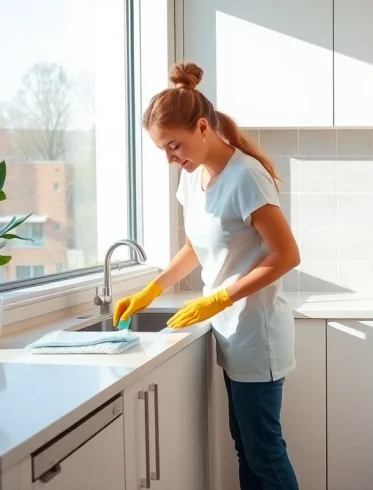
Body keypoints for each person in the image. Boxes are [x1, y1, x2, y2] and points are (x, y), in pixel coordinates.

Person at [113, 61, 300, 490]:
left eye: (173, 146)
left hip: (257, 336)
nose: (170, 158)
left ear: (201, 127)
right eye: (162, 149)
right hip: (230, 332)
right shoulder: (194, 179)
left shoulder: (246, 177)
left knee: (265, 454)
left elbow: (286, 254)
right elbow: (197, 245)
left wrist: (219, 298)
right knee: (246, 449)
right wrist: (152, 288)